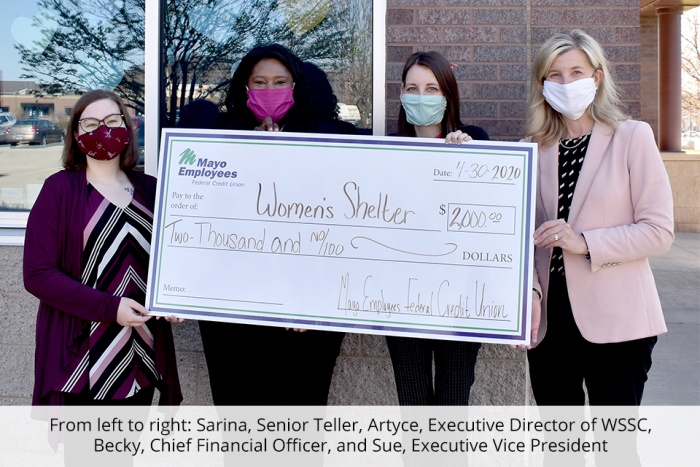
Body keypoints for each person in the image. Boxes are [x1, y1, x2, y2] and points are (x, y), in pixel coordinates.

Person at [522, 29, 674, 408]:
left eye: (576, 72)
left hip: (618, 320)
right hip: (550, 323)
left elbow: (659, 232)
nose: (566, 83)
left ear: (597, 77)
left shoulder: (632, 137)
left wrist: (584, 242)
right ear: (542, 85)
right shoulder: (530, 150)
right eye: (554, 75)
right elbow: (519, 236)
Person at [196, 44, 349, 405]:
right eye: (260, 82)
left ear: (295, 86)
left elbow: (346, 226)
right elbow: (199, 217)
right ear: (245, 88)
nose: (270, 90)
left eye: (280, 81)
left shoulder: (332, 139)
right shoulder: (216, 139)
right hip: (233, 312)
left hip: (305, 312)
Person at [24, 89, 182, 407]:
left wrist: (178, 298)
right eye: (91, 123)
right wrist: (111, 308)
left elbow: (176, 256)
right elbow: (38, 275)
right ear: (76, 133)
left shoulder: (151, 189)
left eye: (112, 120)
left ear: (127, 127)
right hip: (82, 358)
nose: (102, 130)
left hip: (141, 351)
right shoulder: (59, 190)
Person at [385, 51, 488, 405]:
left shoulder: (476, 140)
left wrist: (472, 162)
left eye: (432, 89)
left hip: (460, 301)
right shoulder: (385, 152)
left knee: (451, 406)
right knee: (413, 405)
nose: (422, 96)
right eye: (413, 88)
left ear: (448, 95)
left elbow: (490, 215)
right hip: (402, 301)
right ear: (401, 94)